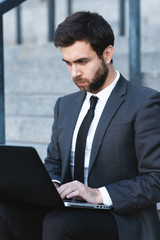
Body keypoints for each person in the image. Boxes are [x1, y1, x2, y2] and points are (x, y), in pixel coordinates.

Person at [43, 11, 160, 240]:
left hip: (122, 218)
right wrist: (52, 185)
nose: (74, 72)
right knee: (6, 212)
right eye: (68, 63)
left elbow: (156, 178)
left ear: (107, 54)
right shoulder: (64, 105)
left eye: (82, 61)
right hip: (71, 210)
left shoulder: (145, 103)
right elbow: (54, 162)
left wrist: (97, 194)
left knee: (59, 223)